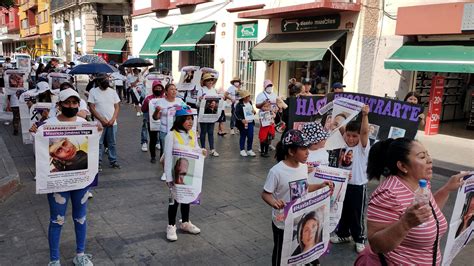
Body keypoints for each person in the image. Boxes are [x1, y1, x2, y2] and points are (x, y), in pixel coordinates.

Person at [362, 138, 467, 265]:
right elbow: (376, 245)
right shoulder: (388, 193)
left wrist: (447, 189)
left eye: (427, 154)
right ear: (402, 166)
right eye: (422, 157)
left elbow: (429, 215)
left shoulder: (422, 183)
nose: (430, 160)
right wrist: (405, 224)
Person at [30, 88, 95, 266]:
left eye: (75, 102)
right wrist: (37, 134)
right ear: (59, 105)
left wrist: (98, 130)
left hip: (81, 182)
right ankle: (54, 260)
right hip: (57, 185)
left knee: (81, 217)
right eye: (67, 102)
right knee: (57, 219)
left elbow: (94, 148)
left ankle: (80, 254)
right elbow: (39, 154)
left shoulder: (84, 123)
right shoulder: (47, 125)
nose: (71, 106)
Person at [261, 129, 333, 266]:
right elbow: (265, 193)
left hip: (300, 220)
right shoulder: (276, 171)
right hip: (282, 223)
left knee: (299, 250)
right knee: (280, 252)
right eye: (303, 149)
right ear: (291, 152)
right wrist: (274, 202)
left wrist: (320, 186)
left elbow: (304, 188)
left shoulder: (303, 167)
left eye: (307, 148)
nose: (307, 152)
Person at [330, 105, 370, 253]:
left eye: (355, 136)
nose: (351, 139)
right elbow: (341, 126)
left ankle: (359, 239)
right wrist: (335, 119)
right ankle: (343, 234)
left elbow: (365, 131)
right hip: (343, 185)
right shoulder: (343, 141)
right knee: (343, 210)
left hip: (357, 186)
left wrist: (365, 115)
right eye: (349, 135)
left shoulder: (362, 147)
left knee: (356, 213)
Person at [164, 105, 205, 241]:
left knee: (187, 197)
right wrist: (168, 178)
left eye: (191, 119)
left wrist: (202, 152)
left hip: (189, 173)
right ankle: (171, 226)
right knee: (174, 201)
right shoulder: (171, 135)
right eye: (187, 119)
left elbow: (197, 149)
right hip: (176, 174)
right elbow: (168, 158)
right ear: (179, 120)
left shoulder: (193, 133)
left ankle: (185, 222)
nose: (190, 122)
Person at [88, 75, 121, 171]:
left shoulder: (112, 92)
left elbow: (117, 107)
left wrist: (113, 119)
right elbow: (92, 107)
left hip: (112, 123)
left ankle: (113, 161)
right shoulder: (93, 91)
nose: (106, 81)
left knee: (112, 143)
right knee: (98, 144)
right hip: (98, 123)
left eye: (107, 79)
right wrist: (102, 120)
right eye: (103, 80)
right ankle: (97, 163)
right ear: (98, 82)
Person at [154, 83, 184, 180]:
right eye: (171, 89)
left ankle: (178, 171)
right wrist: (157, 111)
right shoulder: (160, 102)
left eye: (175, 89)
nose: (174, 91)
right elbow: (155, 117)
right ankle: (165, 172)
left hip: (178, 131)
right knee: (166, 152)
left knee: (178, 151)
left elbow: (187, 112)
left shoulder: (180, 101)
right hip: (165, 131)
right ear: (166, 92)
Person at [197, 73, 220, 157]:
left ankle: (212, 149)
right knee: (203, 131)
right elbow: (197, 104)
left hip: (212, 113)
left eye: (211, 80)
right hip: (203, 113)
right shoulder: (201, 90)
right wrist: (200, 100)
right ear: (205, 82)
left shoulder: (214, 90)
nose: (210, 82)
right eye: (208, 80)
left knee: (211, 132)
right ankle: (203, 149)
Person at [142, 80, 165, 162]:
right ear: (153, 88)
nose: (158, 89)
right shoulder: (148, 98)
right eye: (156, 88)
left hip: (163, 123)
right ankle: (153, 157)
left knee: (163, 140)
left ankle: (162, 156)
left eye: (160, 88)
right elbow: (143, 109)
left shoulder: (165, 98)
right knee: (153, 139)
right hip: (151, 122)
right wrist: (146, 103)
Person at [234, 90, 256, 157]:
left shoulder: (250, 102)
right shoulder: (239, 104)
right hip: (243, 123)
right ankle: (242, 150)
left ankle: (249, 150)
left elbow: (252, 110)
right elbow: (236, 113)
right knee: (243, 136)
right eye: (248, 96)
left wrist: (254, 111)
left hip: (250, 122)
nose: (249, 97)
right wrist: (241, 120)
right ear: (244, 97)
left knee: (250, 136)